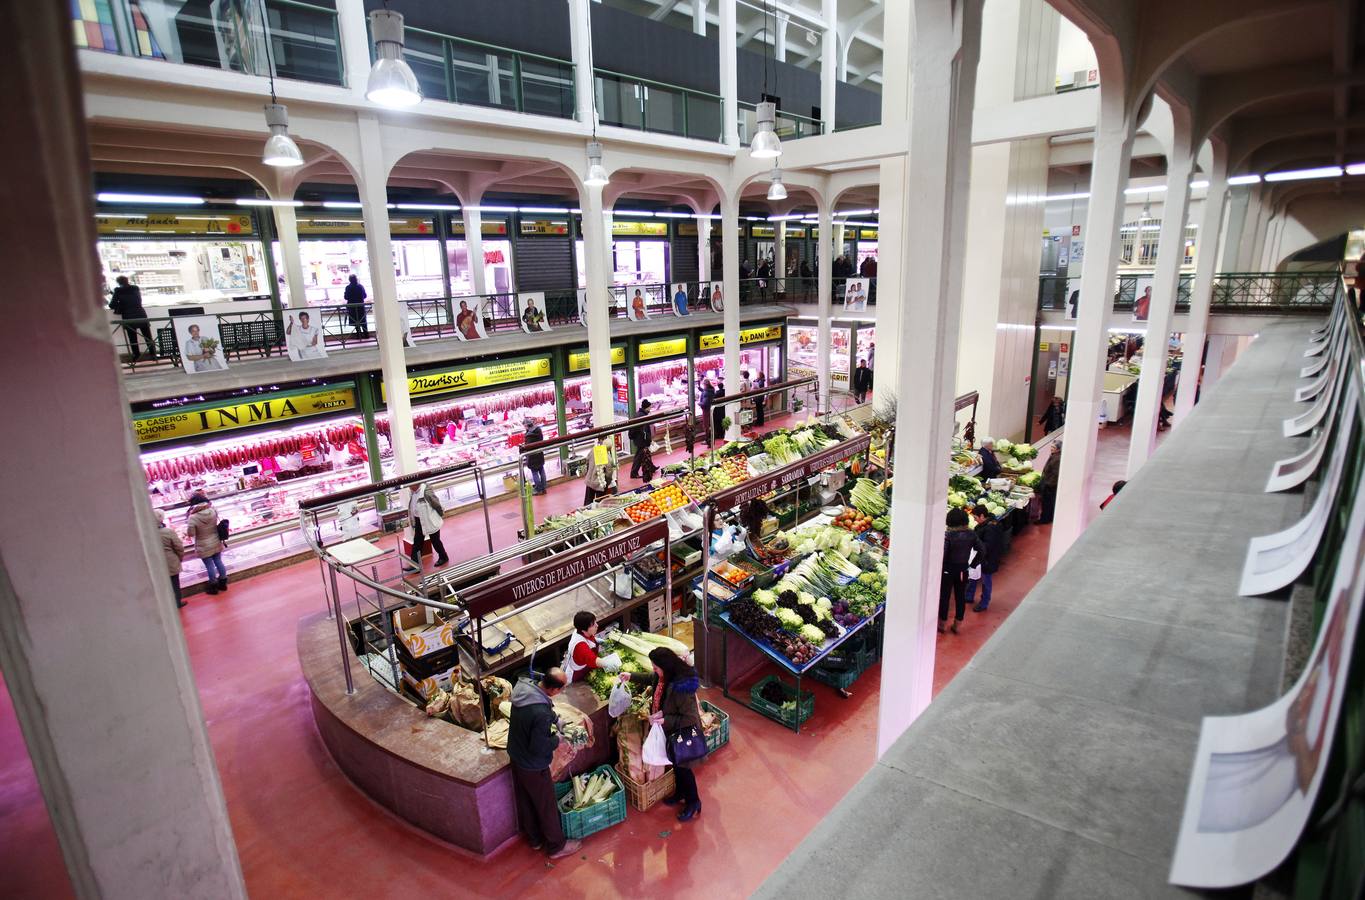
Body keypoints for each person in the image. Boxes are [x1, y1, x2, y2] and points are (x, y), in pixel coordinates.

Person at [620, 648, 705, 821]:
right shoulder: (663, 677)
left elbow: (689, 718)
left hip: (681, 733)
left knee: (684, 769)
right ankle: (680, 793)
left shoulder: (681, 687)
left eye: (656, 667)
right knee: (676, 765)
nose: (654, 670)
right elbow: (650, 678)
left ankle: (693, 801)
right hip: (669, 731)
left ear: (666, 667)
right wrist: (631, 676)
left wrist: (665, 719)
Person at [507, 668, 582, 859]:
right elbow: (539, 747)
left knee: (526, 799)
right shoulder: (540, 713)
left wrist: (556, 719)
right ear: (554, 690)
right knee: (546, 805)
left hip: (517, 756)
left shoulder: (525, 688)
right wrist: (558, 739)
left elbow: (542, 705)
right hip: (533, 765)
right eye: (561, 688)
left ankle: (535, 840)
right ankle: (556, 846)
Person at [939, 508, 981, 634]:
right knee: (960, 596)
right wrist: (972, 565)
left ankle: (942, 624)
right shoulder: (971, 534)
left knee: (945, 596)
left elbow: (944, 554)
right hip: (963, 570)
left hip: (947, 571)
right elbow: (982, 550)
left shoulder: (948, 536)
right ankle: (957, 624)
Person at [185, 492, 227, 595]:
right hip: (215, 540)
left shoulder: (193, 517)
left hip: (203, 545)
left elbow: (191, 533)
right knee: (218, 561)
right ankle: (223, 583)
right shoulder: (213, 511)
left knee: (209, 565)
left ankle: (213, 587)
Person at [562, 612, 621, 683]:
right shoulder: (580, 646)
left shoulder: (579, 630)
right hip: (577, 674)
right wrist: (606, 664)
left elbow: (587, 638)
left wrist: (596, 640)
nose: (597, 625)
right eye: (593, 625)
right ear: (583, 630)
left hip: (584, 665)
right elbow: (593, 660)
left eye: (595, 622)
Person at [968, 505, 1005, 613]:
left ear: (982, 516)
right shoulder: (986, 525)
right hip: (980, 557)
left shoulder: (990, 529)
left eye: (975, 517)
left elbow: (987, 546)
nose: (975, 520)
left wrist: (974, 544)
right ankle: (969, 596)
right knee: (973, 575)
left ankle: (984, 603)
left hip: (988, 559)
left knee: (986, 581)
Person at [109, 276, 154, 361]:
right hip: (141, 314)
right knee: (147, 336)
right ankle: (153, 354)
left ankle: (136, 356)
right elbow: (137, 300)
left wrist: (120, 303)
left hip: (128, 316)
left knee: (132, 338)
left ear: (118, 282)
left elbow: (111, 305)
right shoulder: (135, 288)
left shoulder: (118, 291)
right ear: (127, 280)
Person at [408, 481, 449, 569]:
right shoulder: (412, 493)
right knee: (417, 543)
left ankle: (443, 557)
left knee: (435, 541)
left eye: (410, 485)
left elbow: (436, 504)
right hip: (419, 520)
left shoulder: (426, 492)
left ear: (416, 484)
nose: (409, 487)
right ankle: (415, 565)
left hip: (430, 520)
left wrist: (440, 515)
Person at [157, 510, 187, 609]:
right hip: (171, 561)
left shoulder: (148, 533)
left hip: (156, 563)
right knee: (174, 583)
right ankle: (177, 602)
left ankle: (166, 604)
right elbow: (179, 547)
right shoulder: (168, 531)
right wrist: (180, 558)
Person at [583, 436, 617, 505]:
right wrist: (607, 483)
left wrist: (588, 472)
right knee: (599, 504)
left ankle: (586, 510)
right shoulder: (609, 459)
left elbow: (587, 461)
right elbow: (609, 474)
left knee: (587, 502)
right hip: (600, 484)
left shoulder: (594, 450)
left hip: (590, 480)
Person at [628, 400, 655, 481]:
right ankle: (634, 473)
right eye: (650, 407)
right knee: (639, 457)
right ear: (647, 407)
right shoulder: (642, 417)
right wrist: (648, 440)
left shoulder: (639, 414)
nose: (650, 409)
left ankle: (652, 468)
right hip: (641, 440)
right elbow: (644, 431)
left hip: (638, 439)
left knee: (645, 454)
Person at [1038, 441, 1062, 524]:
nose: (1051, 448)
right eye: (1051, 447)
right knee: (1049, 502)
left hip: (1050, 485)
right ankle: (1049, 517)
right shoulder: (1054, 456)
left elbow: (1056, 474)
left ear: (1058, 449)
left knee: (1047, 503)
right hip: (1049, 483)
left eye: (1053, 447)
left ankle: (1044, 519)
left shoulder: (1057, 459)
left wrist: (1048, 484)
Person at [523, 418, 547, 495]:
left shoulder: (528, 435)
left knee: (534, 472)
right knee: (541, 470)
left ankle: (538, 489)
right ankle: (544, 488)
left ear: (526, 426)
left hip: (532, 456)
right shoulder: (538, 430)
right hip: (539, 453)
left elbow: (527, 446)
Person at [698, 378, 716, 446]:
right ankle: (711, 439)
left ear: (705, 385)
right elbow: (706, 393)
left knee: (706, 425)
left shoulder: (707, 392)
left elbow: (705, 403)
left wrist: (699, 403)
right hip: (710, 409)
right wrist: (701, 389)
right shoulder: (710, 390)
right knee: (709, 424)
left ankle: (707, 440)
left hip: (706, 410)